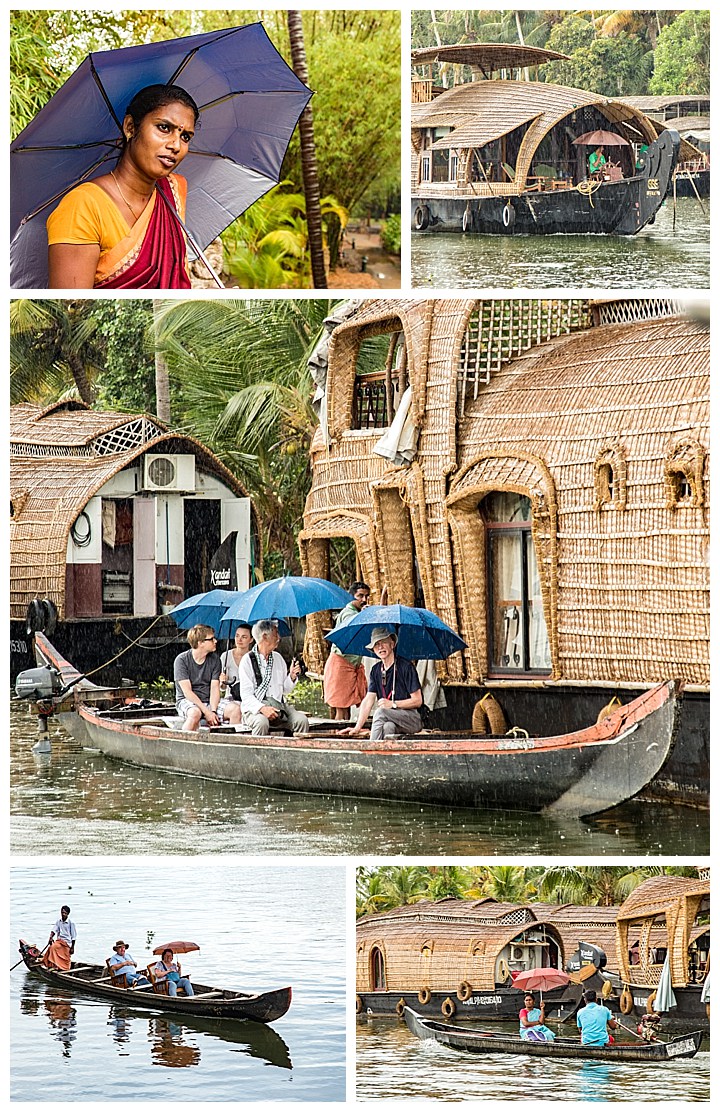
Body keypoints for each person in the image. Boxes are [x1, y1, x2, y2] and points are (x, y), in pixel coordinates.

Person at [47, 83, 198, 289]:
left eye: (185, 136)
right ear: (130, 127)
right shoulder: (83, 206)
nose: (176, 146)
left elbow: (174, 280)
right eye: (164, 128)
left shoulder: (174, 190)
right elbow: (72, 302)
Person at [342, 627, 423, 740]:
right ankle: (386, 756)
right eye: (376, 644)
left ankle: (370, 750)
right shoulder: (376, 670)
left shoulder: (406, 667)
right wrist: (357, 728)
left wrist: (393, 704)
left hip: (411, 719)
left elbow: (418, 701)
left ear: (392, 644)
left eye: (384, 642)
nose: (380, 647)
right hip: (391, 720)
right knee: (388, 727)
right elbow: (369, 700)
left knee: (380, 712)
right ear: (373, 650)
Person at [237, 620, 310, 736]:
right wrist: (263, 708)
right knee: (261, 722)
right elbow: (246, 696)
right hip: (255, 709)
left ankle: (295, 752)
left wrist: (291, 677)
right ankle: (258, 753)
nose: (279, 638)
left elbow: (285, 690)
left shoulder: (278, 658)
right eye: (276, 634)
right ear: (265, 637)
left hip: (278, 707)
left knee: (301, 720)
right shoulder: (247, 661)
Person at [323, 581, 371, 720]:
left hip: (352, 664)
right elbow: (354, 629)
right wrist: (364, 616)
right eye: (360, 596)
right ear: (351, 597)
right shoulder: (348, 613)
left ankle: (346, 735)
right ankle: (339, 739)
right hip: (341, 663)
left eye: (366, 596)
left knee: (347, 707)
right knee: (341, 708)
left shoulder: (357, 612)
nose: (364, 600)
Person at [174, 624, 226, 731]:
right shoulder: (182, 660)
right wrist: (206, 712)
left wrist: (213, 711)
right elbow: (187, 692)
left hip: (209, 701)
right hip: (187, 700)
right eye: (211, 639)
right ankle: (183, 743)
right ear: (200, 643)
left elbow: (214, 688)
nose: (215, 641)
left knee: (235, 709)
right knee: (194, 713)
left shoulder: (215, 660)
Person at [217, 623, 253, 723]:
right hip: (230, 698)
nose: (239, 640)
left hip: (248, 698)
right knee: (237, 710)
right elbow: (222, 688)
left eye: (244, 637)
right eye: (237, 636)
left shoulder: (253, 657)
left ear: (251, 640)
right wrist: (222, 682)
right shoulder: (225, 656)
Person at [42, 905, 76, 970]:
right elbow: (54, 930)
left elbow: (74, 937)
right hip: (59, 941)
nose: (63, 914)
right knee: (52, 948)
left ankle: (64, 968)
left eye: (65, 913)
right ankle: (53, 965)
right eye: (62, 913)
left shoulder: (71, 923)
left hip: (67, 943)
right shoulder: (59, 921)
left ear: (68, 914)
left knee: (65, 957)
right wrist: (50, 937)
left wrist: (72, 948)